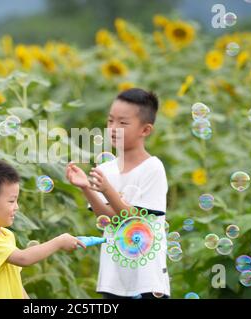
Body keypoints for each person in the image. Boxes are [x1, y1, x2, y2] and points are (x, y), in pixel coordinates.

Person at [66, 88, 170, 299]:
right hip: (114, 278)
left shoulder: (153, 168)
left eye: (123, 123)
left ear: (145, 130)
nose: (113, 129)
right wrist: (86, 187)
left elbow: (135, 222)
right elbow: (108, 218)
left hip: (147, 278)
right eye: (110, 121)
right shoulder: (106, 169)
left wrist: (107, 190)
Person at [0, 159, 86, 299]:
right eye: (11, 201)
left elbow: (15, 282)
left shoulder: (6, 235)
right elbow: (23, 258)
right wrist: (59, 241)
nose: (17, 207)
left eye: (17, 200)